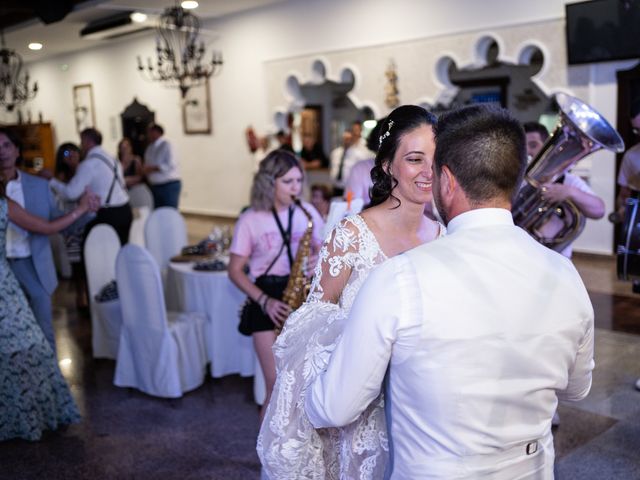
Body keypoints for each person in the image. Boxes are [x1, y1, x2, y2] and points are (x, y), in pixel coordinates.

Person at [305, 104, 594, 479]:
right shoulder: (565, 274)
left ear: (447, 180)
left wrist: (303, 394)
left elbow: (334, 407)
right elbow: (577, 389)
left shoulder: (400, 279)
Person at [258, 105, 444, 479]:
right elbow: (310, 325)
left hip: (425, 410)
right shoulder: (351, 235)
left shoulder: (444, 235)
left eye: (436, 160)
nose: (428, 172)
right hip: (362, 413)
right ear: (388, 165)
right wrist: (368, 339)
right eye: (414, 159)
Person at [228, 150, 325, 422]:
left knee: (302, 385)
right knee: (276, 384)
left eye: (298, 181)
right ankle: (266, 461)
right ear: (269, 182)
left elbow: (326, 251)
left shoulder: (306, 213)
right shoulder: (251, 219)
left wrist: (318, 258)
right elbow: (235, 271)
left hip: (300, 296)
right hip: (266, 298)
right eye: (288, 182)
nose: (296, 188)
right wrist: (265, 301)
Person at [1, 179, 98, 441]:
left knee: (34, 344)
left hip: (7, 285)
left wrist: (80, 209)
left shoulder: (8, 202)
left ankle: (37, 411)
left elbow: (46, 226)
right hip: (6, 279)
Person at [0, 128, 66, 351]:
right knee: (8, 334)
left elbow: (53, 223)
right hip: (2, 269)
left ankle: (51, 382)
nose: (2, 152)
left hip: (32, 263)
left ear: (17, 150)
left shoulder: (37, 185)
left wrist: (86, 211)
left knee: (43, 328)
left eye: (6, 145)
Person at [523, 121, 605, 258]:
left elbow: (599, 210)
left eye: (533, 145)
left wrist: (569, 192)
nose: (527, 152)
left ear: (546, 148)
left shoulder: (568, 181)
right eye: (522, 147)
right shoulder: (515, 182)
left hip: (556, 260)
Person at [48, 128, 132, 246]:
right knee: (120, 250)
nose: (80, 146)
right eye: (66, 153)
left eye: (81, 142)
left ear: (87, 141)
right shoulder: (113, 160)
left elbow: (70, 194)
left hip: (107, 214)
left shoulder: (88, 164)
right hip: (124, 210)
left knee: (95, 253)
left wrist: (51, 181)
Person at [53, 142, 93, 311]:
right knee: (76, 262)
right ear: (62, 158)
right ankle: (80, 295)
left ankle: (90, 295)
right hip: (71, 222)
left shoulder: (85, 171)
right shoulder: (61, 177)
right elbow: (66, 197)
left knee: (89, 260)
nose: (72, 157)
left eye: (75, 153)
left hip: (88, 220)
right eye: (68, 154)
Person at [143, 123, 181, 208]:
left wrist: (153, 168)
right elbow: (147, 164)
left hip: (168, 185)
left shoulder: (167, 144)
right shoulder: (149, 148)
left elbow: (171, 164)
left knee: (169, 211)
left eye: (150, 132)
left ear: (157, 132)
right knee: (158, 212)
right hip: (155, 185)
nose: (148, 135)